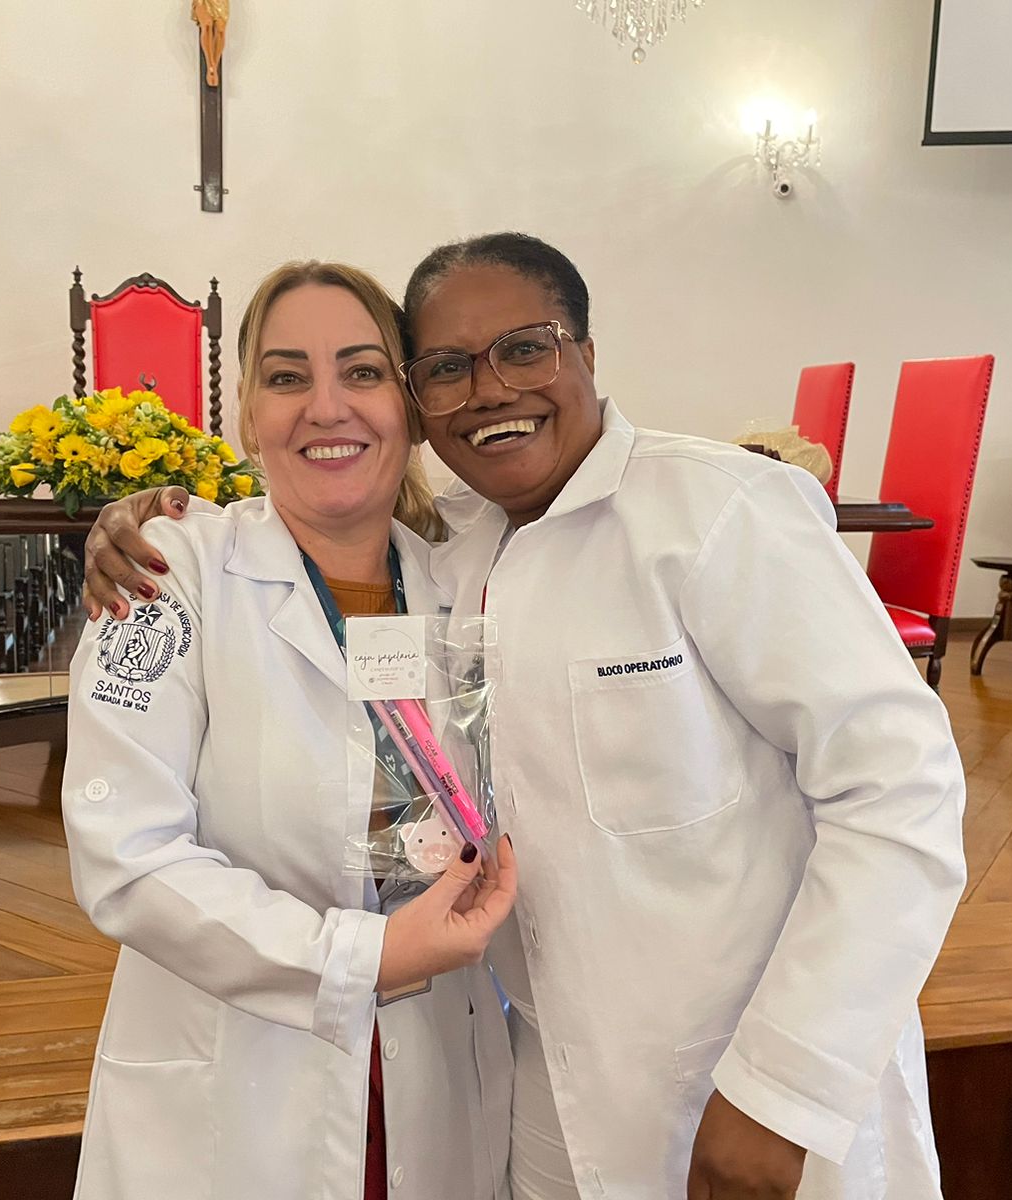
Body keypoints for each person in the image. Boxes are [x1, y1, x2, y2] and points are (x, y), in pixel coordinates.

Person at [84, 234, 966, 1200]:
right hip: (509, 1089)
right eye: (448, 367)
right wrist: (136, 519)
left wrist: (788, 1090)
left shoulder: (709, 514)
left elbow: (900, 792)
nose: (491, 389)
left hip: (742, 1087)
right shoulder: (370, 561)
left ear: (584, 351)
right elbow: (126, 851)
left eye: (525, 349)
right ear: (250, 413)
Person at [62, 261, 517, 1200]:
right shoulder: (167, 576)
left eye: (362, 371)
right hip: (240, 1090)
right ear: (247, 414)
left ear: (410, 405)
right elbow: (126, 856)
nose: (326, 406)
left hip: (439, 1074)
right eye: (286, 376)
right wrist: (362, 959)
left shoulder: (469, 580)